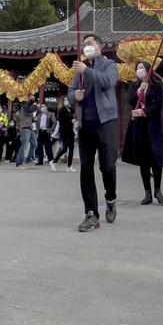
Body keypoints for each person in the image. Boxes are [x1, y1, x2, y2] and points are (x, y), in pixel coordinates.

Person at [68, 33, 119, 231]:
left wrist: (86, 71)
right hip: (85, 125)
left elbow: (108, 82)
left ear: (99, 46)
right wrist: (75, 96)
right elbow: (70, 93)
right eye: (84, 44)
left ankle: (111, 197)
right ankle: (91, 213)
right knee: (86, 169)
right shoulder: (79, 70)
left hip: (106, 122)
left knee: (107, 166)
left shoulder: (109, 64)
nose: (87, 47)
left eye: (90, 43)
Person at [121, 62, 163, 205]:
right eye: (137, 68)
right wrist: (139, 92)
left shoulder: (156, 86)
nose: (139, 70)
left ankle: (158, 190)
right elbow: (131, 101)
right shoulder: (134, 86)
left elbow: (158, 104)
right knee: (144, 161)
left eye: (141, 68)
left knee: (156, 160)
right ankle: (147, 192)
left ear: (148, 70)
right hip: (139, 127)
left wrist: (145, 111)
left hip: (153, 126)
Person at [53, 96, 76, 171]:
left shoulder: (71, 110)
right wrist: (71, 121)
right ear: (62, 101)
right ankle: (54, 161)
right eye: (65, 100)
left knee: (71, 149)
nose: (67, 101)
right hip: (65, 132)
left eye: (67, 100)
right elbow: (62, 122)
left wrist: (73, 120)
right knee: (65, 148)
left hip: (71, 132)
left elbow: (74, 116)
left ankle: (69, 166)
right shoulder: (61, 110)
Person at [14, 99, 37, 169]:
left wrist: (34, 119)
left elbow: (30, 116)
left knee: (34, 144)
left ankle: (28, 160)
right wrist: (36, 106)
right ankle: (19, 163)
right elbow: (29, 110)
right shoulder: (24, 106)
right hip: (24, 128)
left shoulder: (29, 107)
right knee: (24, 145)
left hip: (30, 128)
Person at [35, 102, 56, 169]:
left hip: (46, 132)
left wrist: (51, 130)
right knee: (39, 147)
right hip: (40, 132)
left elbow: (54, 122)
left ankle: (51, 161)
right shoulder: (39, 115)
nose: (42, 108)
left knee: (48, 147)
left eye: (43, 106)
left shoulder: (51, 114)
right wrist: (37, 132)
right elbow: (37, 124)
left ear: (46, 107)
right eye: (41, 107)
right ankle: (40, 161)